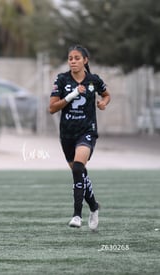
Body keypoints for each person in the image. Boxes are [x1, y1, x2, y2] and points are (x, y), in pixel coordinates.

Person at [49, 45, 111, 230]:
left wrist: (103, 103)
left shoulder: (94, 80)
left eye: (77, 58)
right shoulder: (62, 80)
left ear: (85, 60)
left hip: (87, 131)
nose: (73, 61)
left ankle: (77, 215)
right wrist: (72, 95)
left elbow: (107, 95)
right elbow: (52, 108)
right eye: (70, 58)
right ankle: (93, 206)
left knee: (78, 167)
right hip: (67, 133)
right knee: (80, 174)